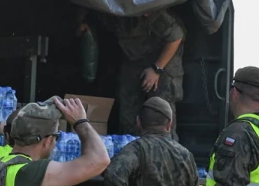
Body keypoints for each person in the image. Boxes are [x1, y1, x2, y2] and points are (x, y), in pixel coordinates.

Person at [78, 7, 185, 135]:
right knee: (128, 107)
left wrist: (157, 69)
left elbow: (176, 37)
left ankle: (166, 149)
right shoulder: (111, 4)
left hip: (162, 59)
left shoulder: (150, 7)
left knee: (160, 111)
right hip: (134, 57)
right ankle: (133, 146)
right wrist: (84, 23)